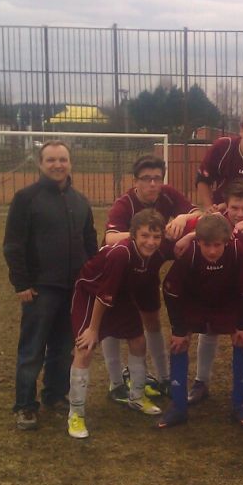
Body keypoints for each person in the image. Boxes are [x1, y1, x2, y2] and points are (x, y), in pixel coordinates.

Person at [3, 140, 97, 430]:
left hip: (73, 289)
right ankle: (25, 406)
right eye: (51, 160)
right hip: (40, 288)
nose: (58, 165)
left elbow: (90, 243)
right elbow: (13, 244)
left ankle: (55, 396)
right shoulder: (26, 198)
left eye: (63, 159)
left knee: (63, 347)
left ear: (70, 163)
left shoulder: (80, 201)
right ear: (40, 164)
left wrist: (91, 281)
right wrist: (21, 282)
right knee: (32, 350)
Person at [175, 179, 243, 406]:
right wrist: (187, 231)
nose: (240, 214)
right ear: (226, 206)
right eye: (234, 208)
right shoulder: (218, 220)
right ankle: (201, 381)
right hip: (221, 285)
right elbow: (196, 225)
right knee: (208, 327)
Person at [103, 155, 201, 403]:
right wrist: (146, 234)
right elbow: (110, 238)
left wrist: (183, 218)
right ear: (135, 181)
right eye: (146, 178)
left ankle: (164, 377)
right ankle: (115, 383)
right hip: (119, 271)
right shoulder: (125, 203)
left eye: (157, 178)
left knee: (153, 321)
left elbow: (199, 215)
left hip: (148, 271)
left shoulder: (168, 195)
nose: (153, 184)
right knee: (111, 327)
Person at [158, 214, 243, 429]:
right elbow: (171, 291)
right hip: (196, 303)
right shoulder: (189, 254)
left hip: (227, 303)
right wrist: (179, 329)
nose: (212, 251)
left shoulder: (237, 251)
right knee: (179, 343)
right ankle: (178, 407)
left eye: (217, 245)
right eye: (206, 245)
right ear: (198, 241)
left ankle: (239, 405)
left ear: (226, 242)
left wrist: (242, 325)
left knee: (242, 338)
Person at [66, 210, 166, 438]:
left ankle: (137, 396)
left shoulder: (155, 253)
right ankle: (75, 414)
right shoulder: (121, 254)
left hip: (120, 295)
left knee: (138, 342)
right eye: (145, 236)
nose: (151, 242)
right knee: (85, 348)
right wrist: (93, 330)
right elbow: (104, 295)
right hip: (91, 294)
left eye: (156, 237)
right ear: (133, 235)